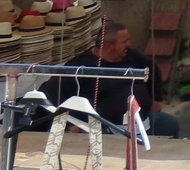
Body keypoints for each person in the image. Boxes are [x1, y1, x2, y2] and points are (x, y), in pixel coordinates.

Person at [45, 19, 179, 137]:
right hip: (105, 129)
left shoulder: (133, 57)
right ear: (109, 46)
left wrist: (156, 98)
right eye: (125, 41)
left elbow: (152, 68)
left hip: (142, 123)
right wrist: (71, 121)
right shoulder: (81, 65)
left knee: (169, 124)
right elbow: (52, 91)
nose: (129, 44)